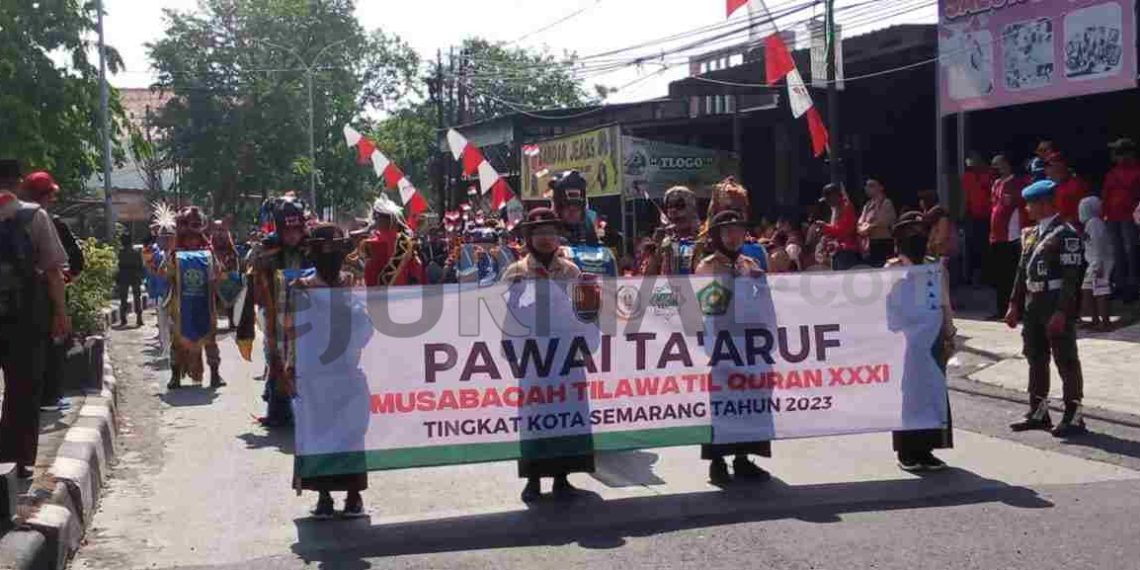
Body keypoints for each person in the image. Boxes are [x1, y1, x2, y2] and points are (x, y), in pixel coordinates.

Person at [500, 207, 595, 502]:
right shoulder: (515, 272)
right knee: (535, 415)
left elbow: (584, 313)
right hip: (534, 355)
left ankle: (562, 476)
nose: (545, 238)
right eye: (539, 233)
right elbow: (506, 317)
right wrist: (512, 352)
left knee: (567, 411)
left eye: (551, 232)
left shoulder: (572, 271)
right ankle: (532, 480)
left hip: (566, 352)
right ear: (528, 236)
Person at [291, 223, 368, 519]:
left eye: (336, 251)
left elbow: (365, 328)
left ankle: (353, 495)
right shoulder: (301, 287)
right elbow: (288, 330)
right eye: (325, 252)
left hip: (347, 371)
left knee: (351, 431)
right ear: (313, 254)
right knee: (317, 432)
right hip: (314, 375)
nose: (331, 258)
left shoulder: (352, 284)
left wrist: (351, 312)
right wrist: (286, 365)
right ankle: (324, 496)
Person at [0, 159, 71, 480]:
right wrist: (61, 313)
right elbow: (55, 270)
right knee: (23, 389)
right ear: (17, 183)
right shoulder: (33, 215)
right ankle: (19, 461)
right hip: (25, 315)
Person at [1005, 180, 1086, 437]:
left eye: (1030, 203)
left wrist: (1063, 311)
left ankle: (1074, 415)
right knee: (1035, 356)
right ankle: (1038, 412)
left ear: (1043, 203)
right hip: (1033, 301)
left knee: (1066, 359)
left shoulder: (1066, 233)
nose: (1027, 208)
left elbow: (1072, 278)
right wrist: (1013, 303)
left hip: (1054, 300)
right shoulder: (1031, 233)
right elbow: (1021, 270)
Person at [695, 210, 771, 484]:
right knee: (722, 404)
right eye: (727, 231)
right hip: (720, 343)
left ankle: (743, 458)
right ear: (717, 236)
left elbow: (765, 306)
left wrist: (758, 283)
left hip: (749, 344)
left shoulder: (751, 263)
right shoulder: (708, 266)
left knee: (749, 402)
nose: (733, 236)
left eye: (738, 230)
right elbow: (707, 306)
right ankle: (717, 462)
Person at [887, 211, 955, 471]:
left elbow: (945, 302)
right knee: (909, 394)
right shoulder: (892, 270)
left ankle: (928, 448)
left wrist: (949, 332)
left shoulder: (935, 268)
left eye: (920, 235)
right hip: (904, 342)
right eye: (910, 236)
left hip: (932, 340)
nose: (917, 240)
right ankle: (907, 450)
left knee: (933, 390)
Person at [17, 171, 82, 413]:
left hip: (13, 300)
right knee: (52, 346)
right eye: (51, 196)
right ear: (44, 196)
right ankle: (49, 397)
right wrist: (62, 300)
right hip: (44, 296)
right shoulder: (46, 220)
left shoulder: (9, 218)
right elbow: (70, 263)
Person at [246, 195, 310, 427]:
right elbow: (252, 271)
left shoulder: (312, 245)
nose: (293, 235)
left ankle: (308, 409)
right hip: (275, 313)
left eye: (297, 229)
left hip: (308, 314)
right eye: (288, 230)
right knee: (275, 357)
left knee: (307, 359)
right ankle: (278, 410)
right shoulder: (266, 248)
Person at [165, 206, 224, 390]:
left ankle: (215, 374)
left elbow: (218, 272)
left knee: (210, 338)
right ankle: (175, 376)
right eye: (189, 235)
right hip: (181, 304)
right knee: (177, 339)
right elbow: (166, 272)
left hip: (205, 303)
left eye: (196, 233)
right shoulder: (174, 253)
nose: (192, 240)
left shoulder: (208, 251)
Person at [550, 171, 616, 276]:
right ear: (559, 209)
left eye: (577, 208)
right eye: (567, 208)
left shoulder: (588, 225)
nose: (572, 212)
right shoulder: (548, 229)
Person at [988, 155, 1028, 320]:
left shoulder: (1017, 183)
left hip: (1012, 236)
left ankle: (1017, 310)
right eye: (995, 166)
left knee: (1013, 275)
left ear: (1008, 164)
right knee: (1000, 276)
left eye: (1000, 165)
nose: (997, 168)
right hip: (997, 236)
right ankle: (1001, 309)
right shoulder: (996, 184)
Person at [1102, 138, 1140, 303]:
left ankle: (1132, 287)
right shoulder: (1112, 173)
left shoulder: (1137, 171)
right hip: (1113, 218)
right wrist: (1104, 213)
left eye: (1118, 153)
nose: (1114, 157)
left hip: (1130, 218)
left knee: (1131, 252)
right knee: (1117, 252)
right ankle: (1119, 285)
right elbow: (1106, 194)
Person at [361, 195, 425, 287]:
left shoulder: (370, 244)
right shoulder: (406, 242)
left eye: (377, 218)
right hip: (402, 294)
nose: (376, 221)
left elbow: (369, 274)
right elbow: (417, 269)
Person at [643, 186, 700, 276]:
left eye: (679, 205)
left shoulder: (703, 237)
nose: (673, 210)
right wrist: (655, 248)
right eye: (669, 206)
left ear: (691, 208)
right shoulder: (665, 241)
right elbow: (648, 279)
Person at [1078, 196, 1114, 330]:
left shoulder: (1094, 223)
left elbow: (1099, 244)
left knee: (1101, 291)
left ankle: (1104, 322)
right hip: (1092, 261)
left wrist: (1098, 264)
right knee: (1087, 290)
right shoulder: (1089, 224)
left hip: (1100, 262)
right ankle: (1093, 319)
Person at [962, 152, 994, 284]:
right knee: (972, 247)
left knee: (986, 248)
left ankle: (986, 276)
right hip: (972, 217)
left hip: (987, 217)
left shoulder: (989, 175)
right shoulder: (967, 177)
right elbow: (965, 196)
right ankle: (972, 276)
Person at [816, 183, 860, 270]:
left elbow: (845, 231)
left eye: (828, 199)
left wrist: (826, 227)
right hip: (836, 250)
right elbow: (835, 228)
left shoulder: (846, 207)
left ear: (835, 195)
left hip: (847, 251)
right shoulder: (836, 208)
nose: (828, 203)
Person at [857, 177, 898, 268]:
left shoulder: (886, 203)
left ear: (881, 187)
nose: (867, 189)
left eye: (871, 186)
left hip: (884, 243)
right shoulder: (867, 205)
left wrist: (869, 226)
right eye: (867, 186)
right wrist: (862, 228)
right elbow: (860, 223)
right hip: (869, 244)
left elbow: (884, 221)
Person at [1043, 152, 1087, 226]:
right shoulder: (1055, 187)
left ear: (1060, 166)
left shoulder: (1076, 184)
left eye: (1050, 166)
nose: (1047, 171)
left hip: (1076, 230)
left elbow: (1080, 214)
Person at [115, 231, 145, 328]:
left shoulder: (121, 252)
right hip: (134, 275)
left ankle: (123, 319)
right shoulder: (136, 252)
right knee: (137, 297)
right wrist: (141, 276)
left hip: (124, 275)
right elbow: (141, 266)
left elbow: (118, 266)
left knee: (123, 298)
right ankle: (139, 318)